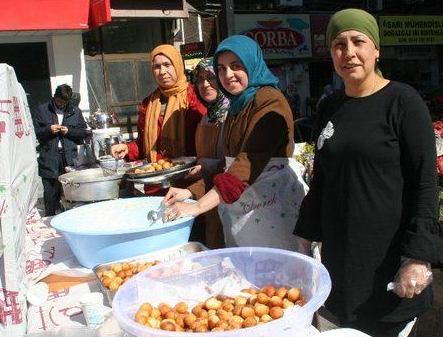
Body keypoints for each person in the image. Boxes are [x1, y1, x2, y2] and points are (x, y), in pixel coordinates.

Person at [293, 9, 443, 337]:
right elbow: (322, 183)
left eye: (358, 42)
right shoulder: (330, 107)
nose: (349, 52)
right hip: (341, 262)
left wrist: (417, 257)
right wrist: (301, 242)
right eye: (338, 45)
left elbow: (425, 184)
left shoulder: (403, 103)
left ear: (376, 49)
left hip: (388, 263)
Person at [163, 35, 308, 250]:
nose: (227, 75)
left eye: (236, 66)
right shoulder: (237, 105)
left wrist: (199, 206)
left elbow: (248, 161)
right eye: (221, 68)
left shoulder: (269, 100)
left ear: (252, 64)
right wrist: (192, 192)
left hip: (274, 213)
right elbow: (228, 164)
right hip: (247, 213)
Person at [111, 45, 207, 179]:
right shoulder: (148, 103)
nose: (162, 71)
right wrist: (128, 149)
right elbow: (143, 145)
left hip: (189, 180)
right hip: (156, 180)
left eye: (168, 64)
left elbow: (207, 143)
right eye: (157, 67)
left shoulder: (195, 98)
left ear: (178, 65)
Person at [186, 58, 230, 248]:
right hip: (208, 198)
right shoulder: (206, 117)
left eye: (211, 77)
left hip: (228, 198)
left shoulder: (231, 115)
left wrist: (205, 166)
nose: (205, 84)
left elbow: (235, 163)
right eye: (200, 79)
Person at [33, 84, 87, 216]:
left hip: (69, 157)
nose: (62, 105)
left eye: (65, 102)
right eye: (59, 102)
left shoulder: (75, 111)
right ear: (54, 97)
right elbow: (34, 132)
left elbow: (83, 132)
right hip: (49, 156)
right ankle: (50, 217)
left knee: (71, 190)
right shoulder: (42, 110)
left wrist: (69, 131)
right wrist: (48, 129)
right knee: (50, 191)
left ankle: (71, 216)